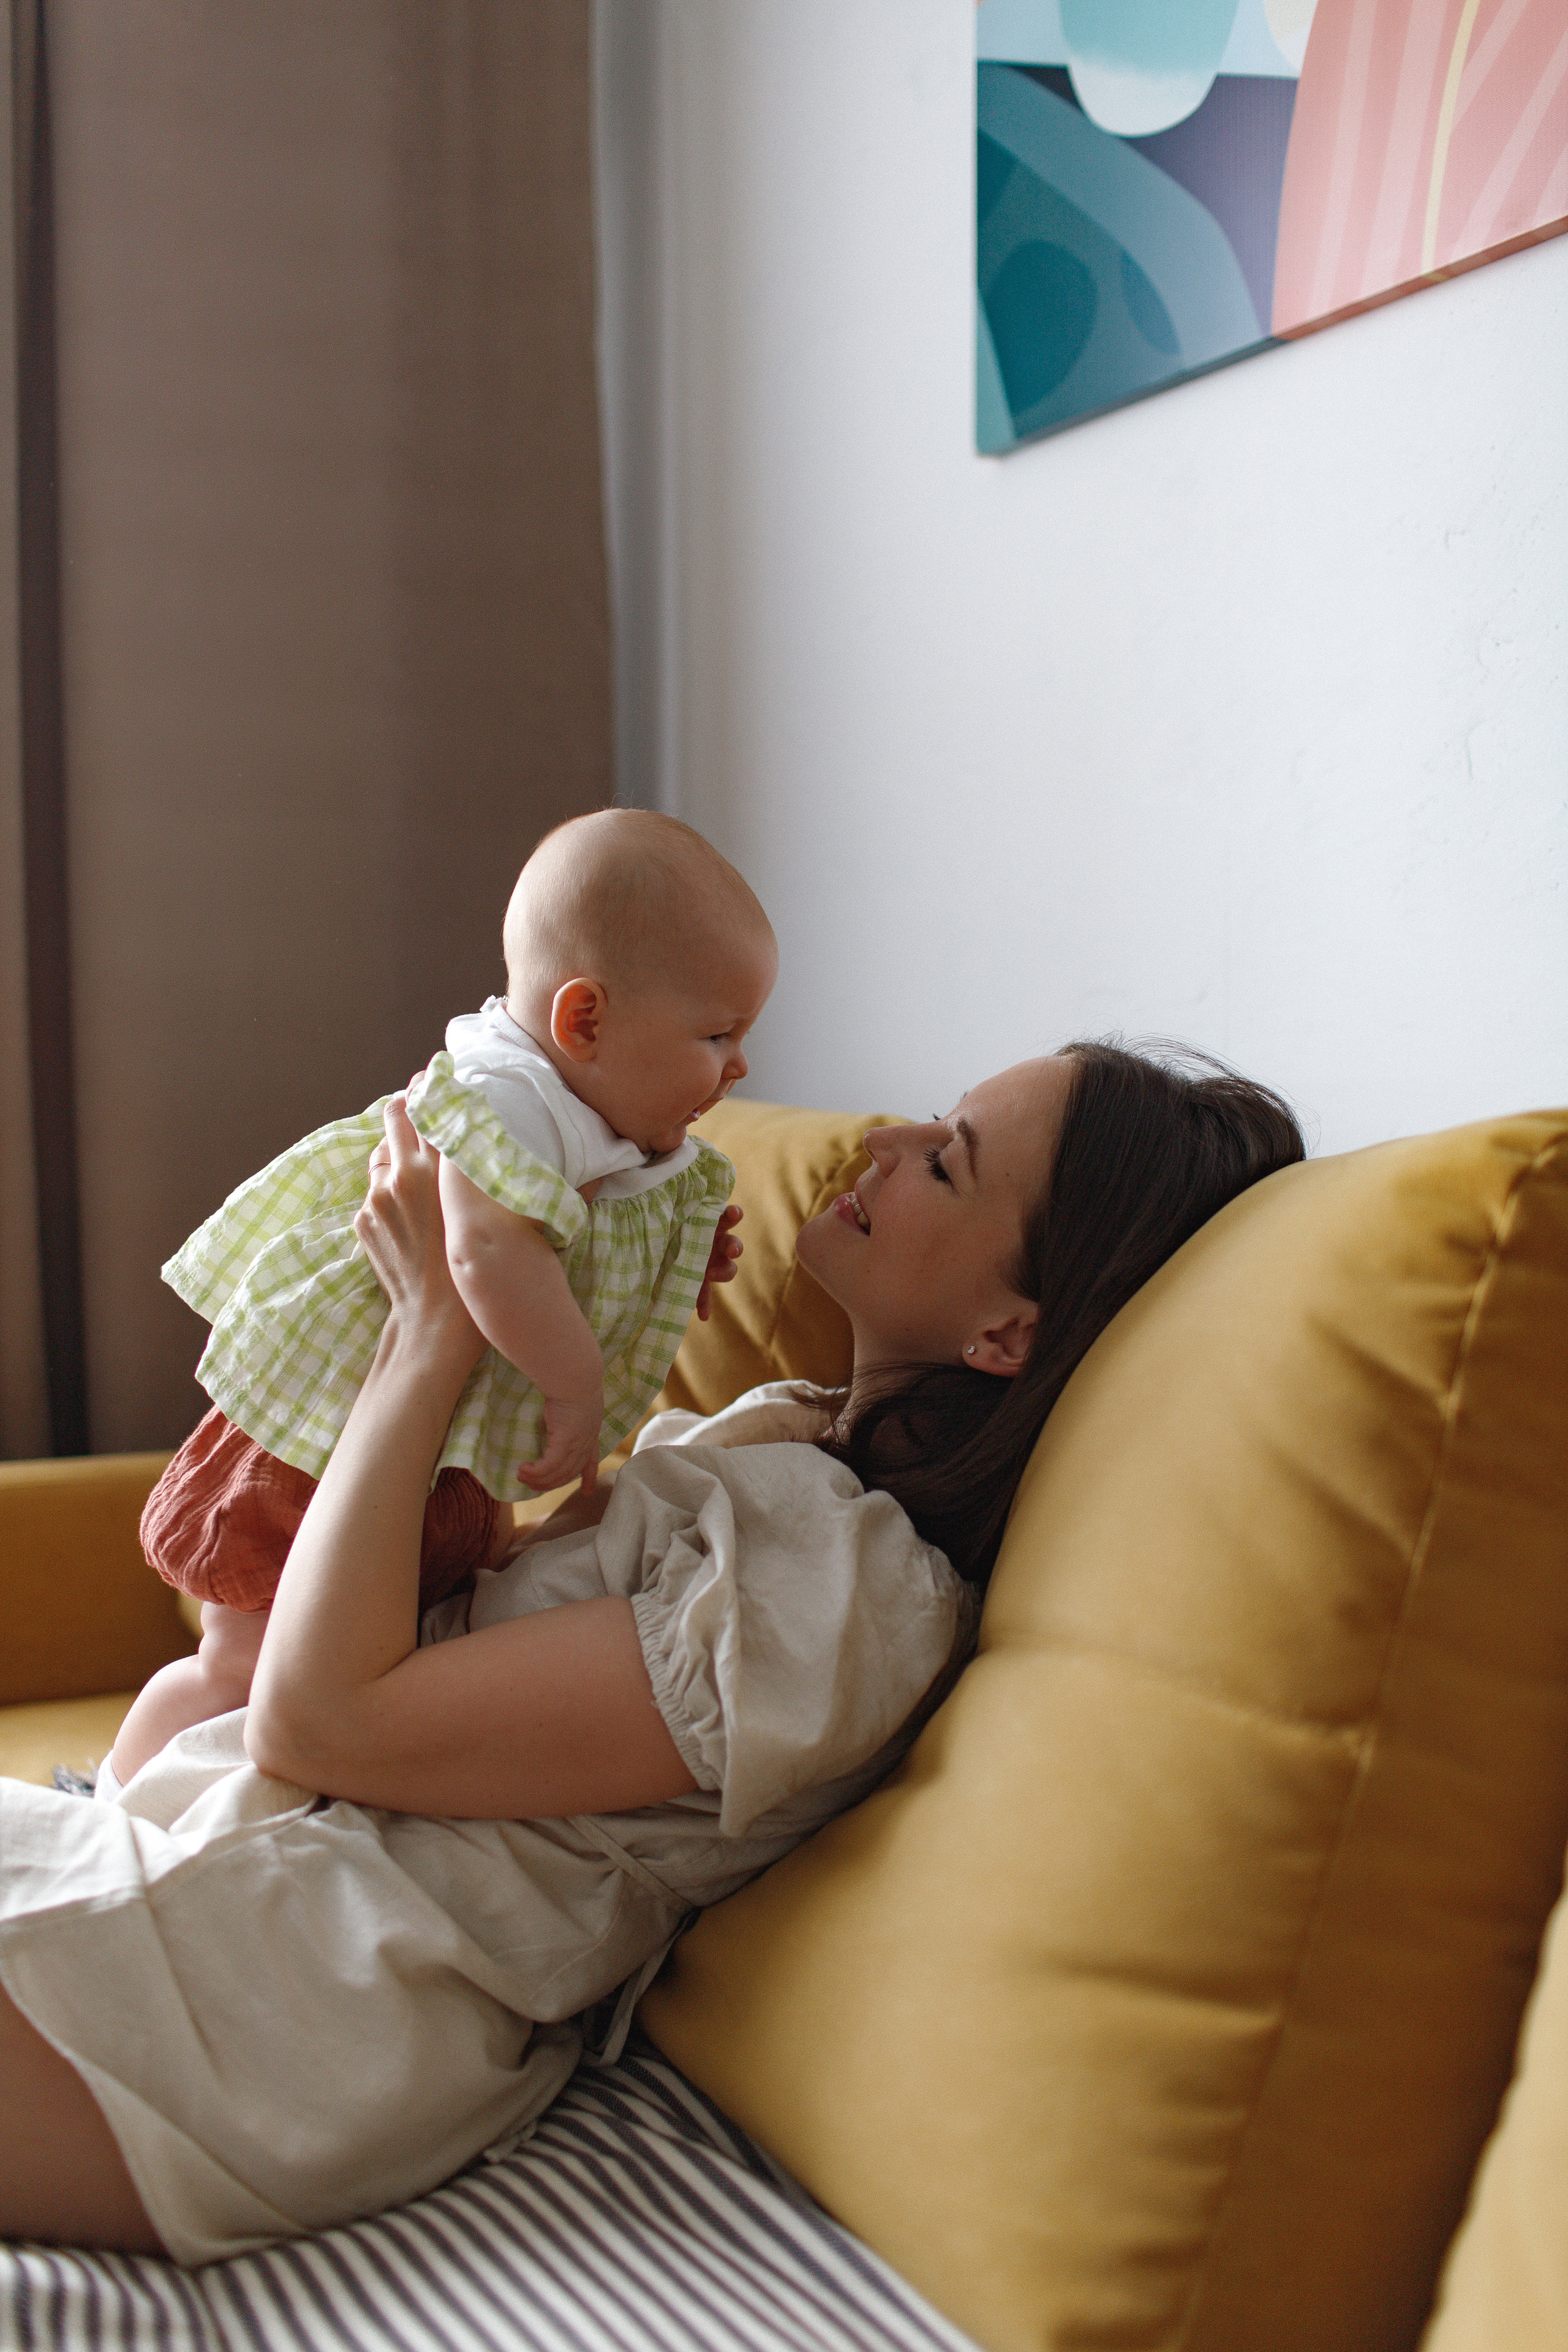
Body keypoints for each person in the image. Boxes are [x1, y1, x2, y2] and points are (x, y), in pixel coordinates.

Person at [0, 1038, 1303, 2261]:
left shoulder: (845, 1600)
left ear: (1008, 1333)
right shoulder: (775, 1439)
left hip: (272, 2004)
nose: (890, 1138)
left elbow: (326, 1723)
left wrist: (430, 1334)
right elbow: (446, 1615)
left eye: (948, 1158)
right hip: (217, 1865)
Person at [107, 810, 778, 1790]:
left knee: (407, 1640)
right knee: (238, 1670)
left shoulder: (604, 1116)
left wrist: (677, 1247)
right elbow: (484, 1254)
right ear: (583, 1020)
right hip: (320, 1446)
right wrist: (576, 1386)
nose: (740, 1066)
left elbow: (578, 1242)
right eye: (718, 1033)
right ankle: (109, 1801)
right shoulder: (508, 1097)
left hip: (428, 1458)